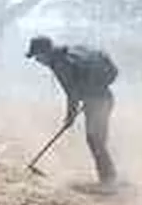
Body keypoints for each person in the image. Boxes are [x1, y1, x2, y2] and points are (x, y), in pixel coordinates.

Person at [26, 36, 119, 186]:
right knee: (97, 140)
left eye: (37, 57)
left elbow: (72, 93)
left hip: (98, 101)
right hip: (102, 98)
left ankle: (109, 180)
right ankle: (109, 177)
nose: (38, 61)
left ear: (45, 53)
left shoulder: (60, 64)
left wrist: (70, 117)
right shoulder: (69, 54)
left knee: (95, 140)